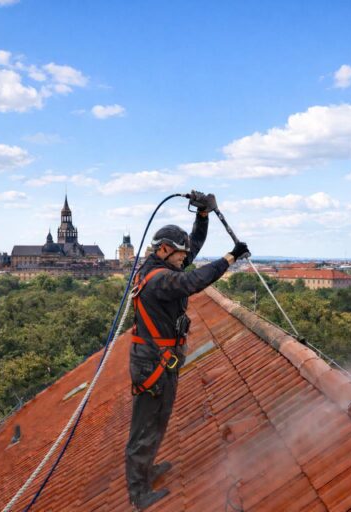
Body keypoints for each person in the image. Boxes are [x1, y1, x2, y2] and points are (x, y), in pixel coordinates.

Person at [125, 193, 249, 510]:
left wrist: (203, 216)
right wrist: (230, 258)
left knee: (159, 419)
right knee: (146, 426)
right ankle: (139, 492)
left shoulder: (165, 265)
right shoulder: (158, 280)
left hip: (160, 361)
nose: (185, 257)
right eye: (180, 254)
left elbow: (191, 248)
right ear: (165, 250)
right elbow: (193, 281)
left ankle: (147, 469)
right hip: (153, 363)